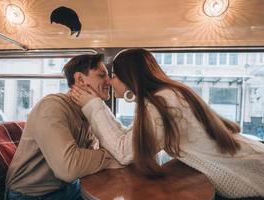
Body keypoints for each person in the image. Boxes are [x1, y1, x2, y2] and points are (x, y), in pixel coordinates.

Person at [71, 48, 264, 198]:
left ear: (129, 77)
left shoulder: (162, 104)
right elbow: (132, 138)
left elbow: (124, 153)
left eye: (113, 76)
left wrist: (93, 105)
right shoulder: (167, 95)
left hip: (250, 181)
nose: (110, 82)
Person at [5, 54, 121, 200]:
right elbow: (69, 167)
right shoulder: (52, 107)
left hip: (71, 187)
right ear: (80, 79)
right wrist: (113, 156)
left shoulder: (89, 111)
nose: (109, 81)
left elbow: (95, 151)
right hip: (32, 195)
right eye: (101, 75)